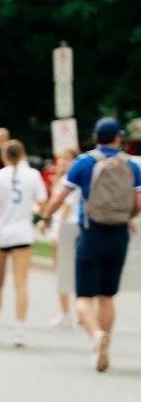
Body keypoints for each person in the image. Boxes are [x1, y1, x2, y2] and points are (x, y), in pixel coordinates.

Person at [40, 117, 141, 371]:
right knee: (107, 295)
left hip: (91, 232)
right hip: (118, 234)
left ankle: (96, 336)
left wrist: (46, 217)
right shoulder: (131, 165)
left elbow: (61, 197)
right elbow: (138, 203)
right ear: (118, 138)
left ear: (96, 138)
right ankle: (105, 342)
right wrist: (127, 217)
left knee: (84, 296)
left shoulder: (83, 163)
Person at [0, 139, 46, 346]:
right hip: (23, 233)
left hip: (1, 233)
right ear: (23, 154)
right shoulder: (33, 175)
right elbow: (41, 202)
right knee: (21, 284)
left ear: (4, 156)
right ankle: (19, 330)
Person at [42, 145, 80, 329]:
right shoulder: (62, 179)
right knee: (68, 272)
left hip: (66, 228)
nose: (63, 162)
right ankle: (69, 312)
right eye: (61, 159)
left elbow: (66, 208)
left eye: (67, 159)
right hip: (66, 227)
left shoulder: (71, 180)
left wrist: (57, 232)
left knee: (63, 273)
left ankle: (67, 313)